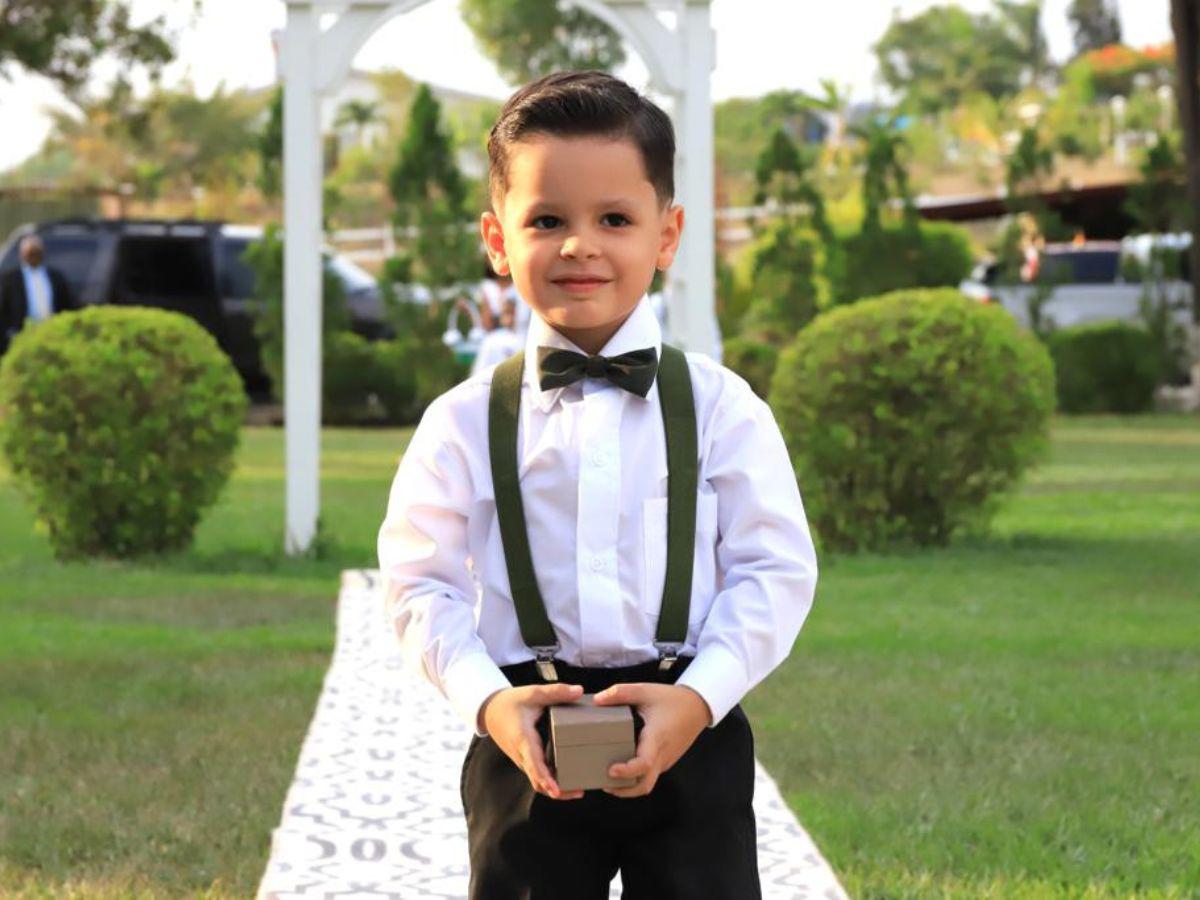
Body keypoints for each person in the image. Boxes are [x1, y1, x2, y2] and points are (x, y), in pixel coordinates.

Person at [377, 70, 818, 899]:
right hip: (524, 739)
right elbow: (417, 582)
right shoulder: (463, 421)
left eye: (614, 219)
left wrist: (701, 698)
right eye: (547, 221)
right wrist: (487, 702)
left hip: (690, 726)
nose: (580, 245)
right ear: (498, 240)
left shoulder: (725, 409)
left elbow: (775, 570)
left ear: (667, 233)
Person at [0, 234, 79, 356]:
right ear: (22, 254)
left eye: (36, 252)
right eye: (30, 253)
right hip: (21, 335)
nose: (33, 256)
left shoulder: (55, 277)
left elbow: (67, 305)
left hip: (50, 333)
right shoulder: (10, 279)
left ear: (42, 253)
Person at [470, 298, 523, 377]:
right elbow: (479, 371)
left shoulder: (525, 338)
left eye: (511, 313)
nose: (508, 317)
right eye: (505, 313)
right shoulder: (491, 339)